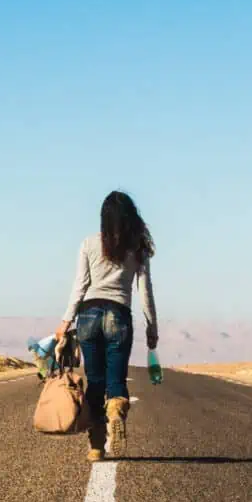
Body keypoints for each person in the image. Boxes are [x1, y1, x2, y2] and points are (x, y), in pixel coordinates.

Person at [55, 190, 158, 462]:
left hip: (88, 316)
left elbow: (80, 286)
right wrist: (152, 327)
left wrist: (65, 322)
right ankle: (115, 411)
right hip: (119, 316)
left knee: (95, 382)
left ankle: (96, 447)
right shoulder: (137, 248)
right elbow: (145, 291)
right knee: (115, 381)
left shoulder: (89, 243)